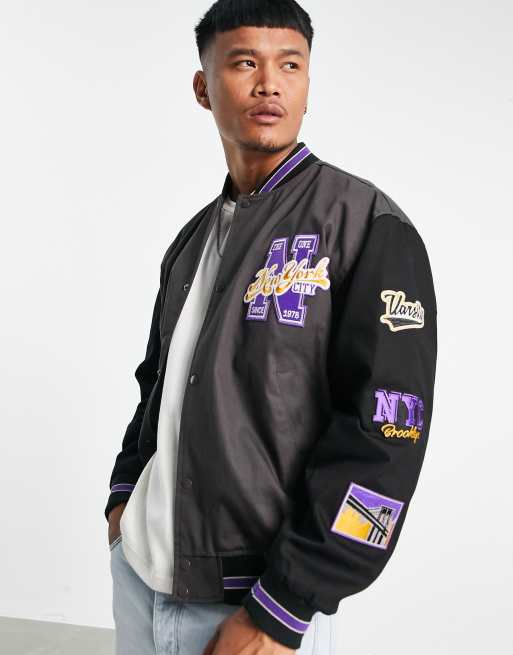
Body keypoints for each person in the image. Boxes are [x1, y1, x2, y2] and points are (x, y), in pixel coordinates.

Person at [105, 1, 438, 654]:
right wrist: (123, 499)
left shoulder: (365, 227)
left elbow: (388, 435)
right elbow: (156, 386)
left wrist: (287, 603)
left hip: (255, 606)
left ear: (308, 85)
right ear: (203, 87)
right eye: (243, 63)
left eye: (290, 65)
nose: (269, 84)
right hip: (141, 578)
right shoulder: (191, 242)